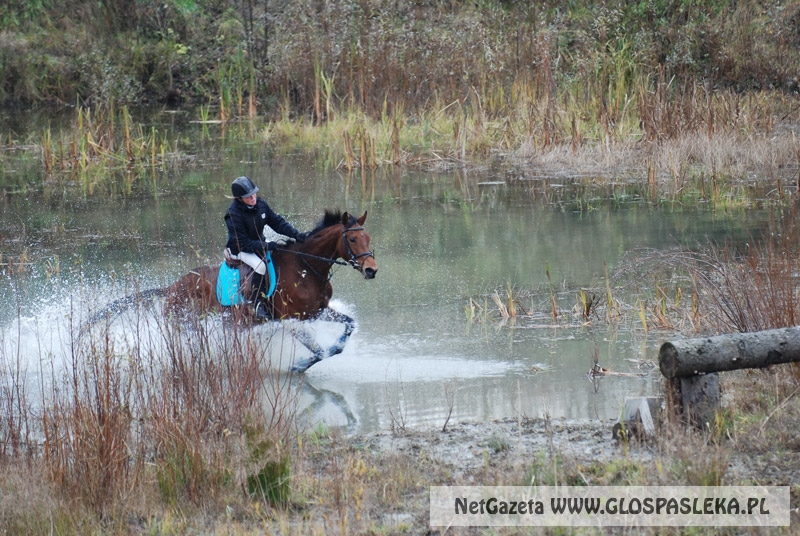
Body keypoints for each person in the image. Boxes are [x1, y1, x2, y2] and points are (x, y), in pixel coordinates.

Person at [224, 176, 306, 320]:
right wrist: (267, 245)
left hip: (258, 243)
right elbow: (243, 243)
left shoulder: (261, 204)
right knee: (260, 266)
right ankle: (257, 304)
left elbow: (277, 223)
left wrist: (296, 235)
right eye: (248, 197)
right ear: (239, 199)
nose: (253, 198)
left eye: (254, 194)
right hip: (240, 249)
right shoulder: (233, 214)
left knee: (282, 253)